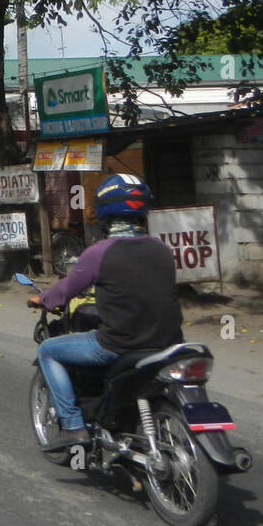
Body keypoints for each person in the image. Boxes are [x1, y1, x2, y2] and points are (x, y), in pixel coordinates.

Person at [26, 173, 181, 450]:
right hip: (169, 342)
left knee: (48, 350)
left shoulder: (99, 252)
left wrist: (42, 299)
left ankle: (73, 427)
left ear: (104, 213)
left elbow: (64, 292)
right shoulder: (161, 248)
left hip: (119, 344)